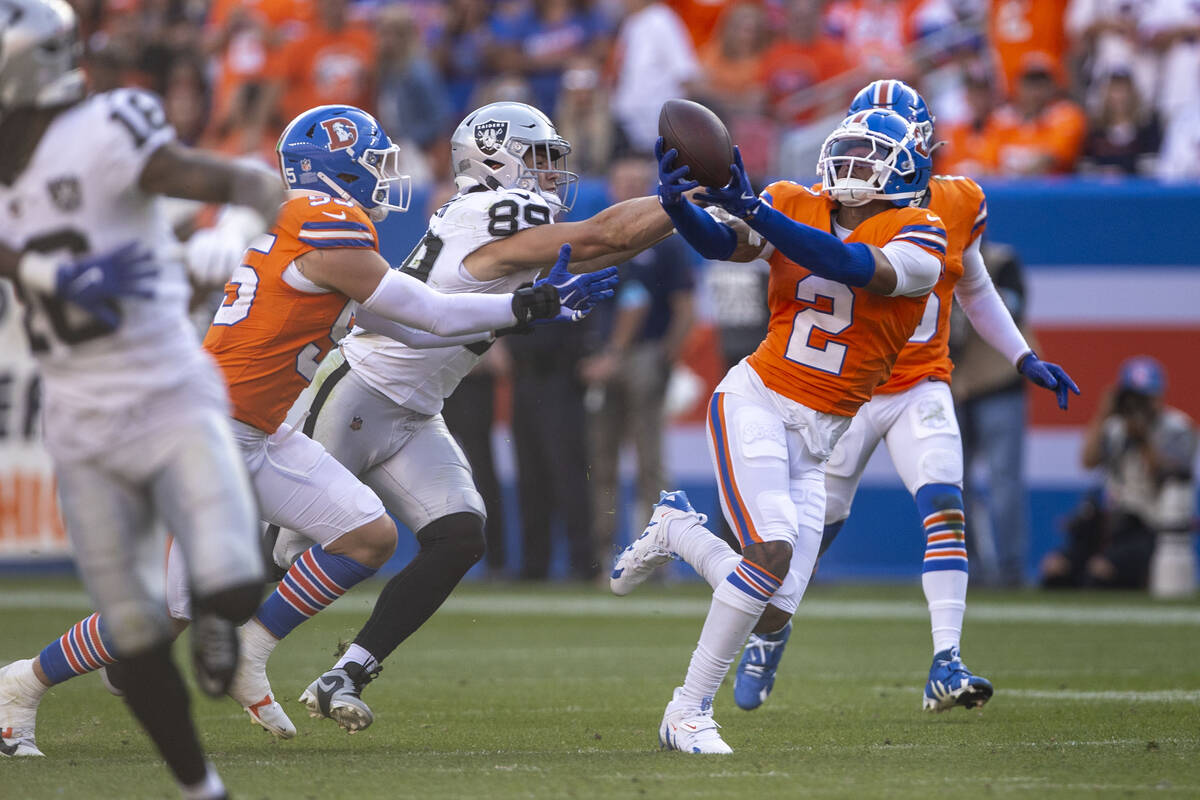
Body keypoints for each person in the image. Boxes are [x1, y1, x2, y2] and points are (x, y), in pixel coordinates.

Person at [0, 102, 613, 752]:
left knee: (370, 537)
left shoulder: (314, 227)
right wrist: (519, 305)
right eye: (372, 165)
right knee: (166, 612)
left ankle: (248, 654)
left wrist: (514, 312)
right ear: (336, 171)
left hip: (260, 431)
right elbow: (425, 312)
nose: (383, 179)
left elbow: (396, 323)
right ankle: (21, 685)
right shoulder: (329, 227)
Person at [265, 101, 679, 733]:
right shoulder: (488, 212)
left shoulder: (499, 222)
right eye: (539, 158)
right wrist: (688, 198)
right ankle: (151, 636)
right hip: (359, 391)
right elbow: (605, 237)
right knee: (281, 553)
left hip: (417, 411)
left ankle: (344, 673)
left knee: (458, 537)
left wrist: (700, 210)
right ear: (495, 159)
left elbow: (606, 245)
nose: (550, 173)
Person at [728, 80, 1079, 713]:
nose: (865, 160)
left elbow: (973, 287)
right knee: (815, 526)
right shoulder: (817, 203)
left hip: (920, 379)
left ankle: (947, 660)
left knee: (945, 503)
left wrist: (1023, 354)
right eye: (860, 143)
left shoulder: (955, 202)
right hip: (846, 394)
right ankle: (772, 628)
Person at [0, 2, 277, 795]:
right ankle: (201, 787)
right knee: (133, 634)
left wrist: (251, 203)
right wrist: (52, 274)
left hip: (165, 388)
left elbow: (205, 175)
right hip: (78, 417)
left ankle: (223, 620)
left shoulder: (103, 125)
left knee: (227, 582)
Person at [613, 107, 947, 753]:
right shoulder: (793, 198)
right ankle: (687, 711)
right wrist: (676, 205)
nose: (851, 167)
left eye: (869, 155)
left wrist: (760, 215)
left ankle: (677, 530)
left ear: (906, 167)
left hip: (820, 439)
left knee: (770, 610)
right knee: (769, 555)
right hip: (759, 399)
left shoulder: (924, 232)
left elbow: (853, 267)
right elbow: (720, 244)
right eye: (845, 152)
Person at [582, 155, 697, 571]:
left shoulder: (666, 241)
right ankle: (601, 559)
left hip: (645, 355)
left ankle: (658, 562)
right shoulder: (595, 237)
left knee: (651, 462)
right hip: (600, 359)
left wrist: (666, 353)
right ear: (611, 187)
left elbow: (685, 306)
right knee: (602, 464)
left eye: (637, 182)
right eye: (622, 181)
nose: (629, 189)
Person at [1042, 357, 1197, 590]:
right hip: (1113, 520)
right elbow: (1088, 460)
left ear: (1158, 397)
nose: (1137, 406)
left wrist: (1143, 438)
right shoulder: (1115, 427)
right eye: (1131, 398)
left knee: (1101, 573)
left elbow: (1167, 476)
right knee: (1056, 570)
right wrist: (1103, 414)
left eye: (1144, 398)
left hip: (1149, 525)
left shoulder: (1177, 428)